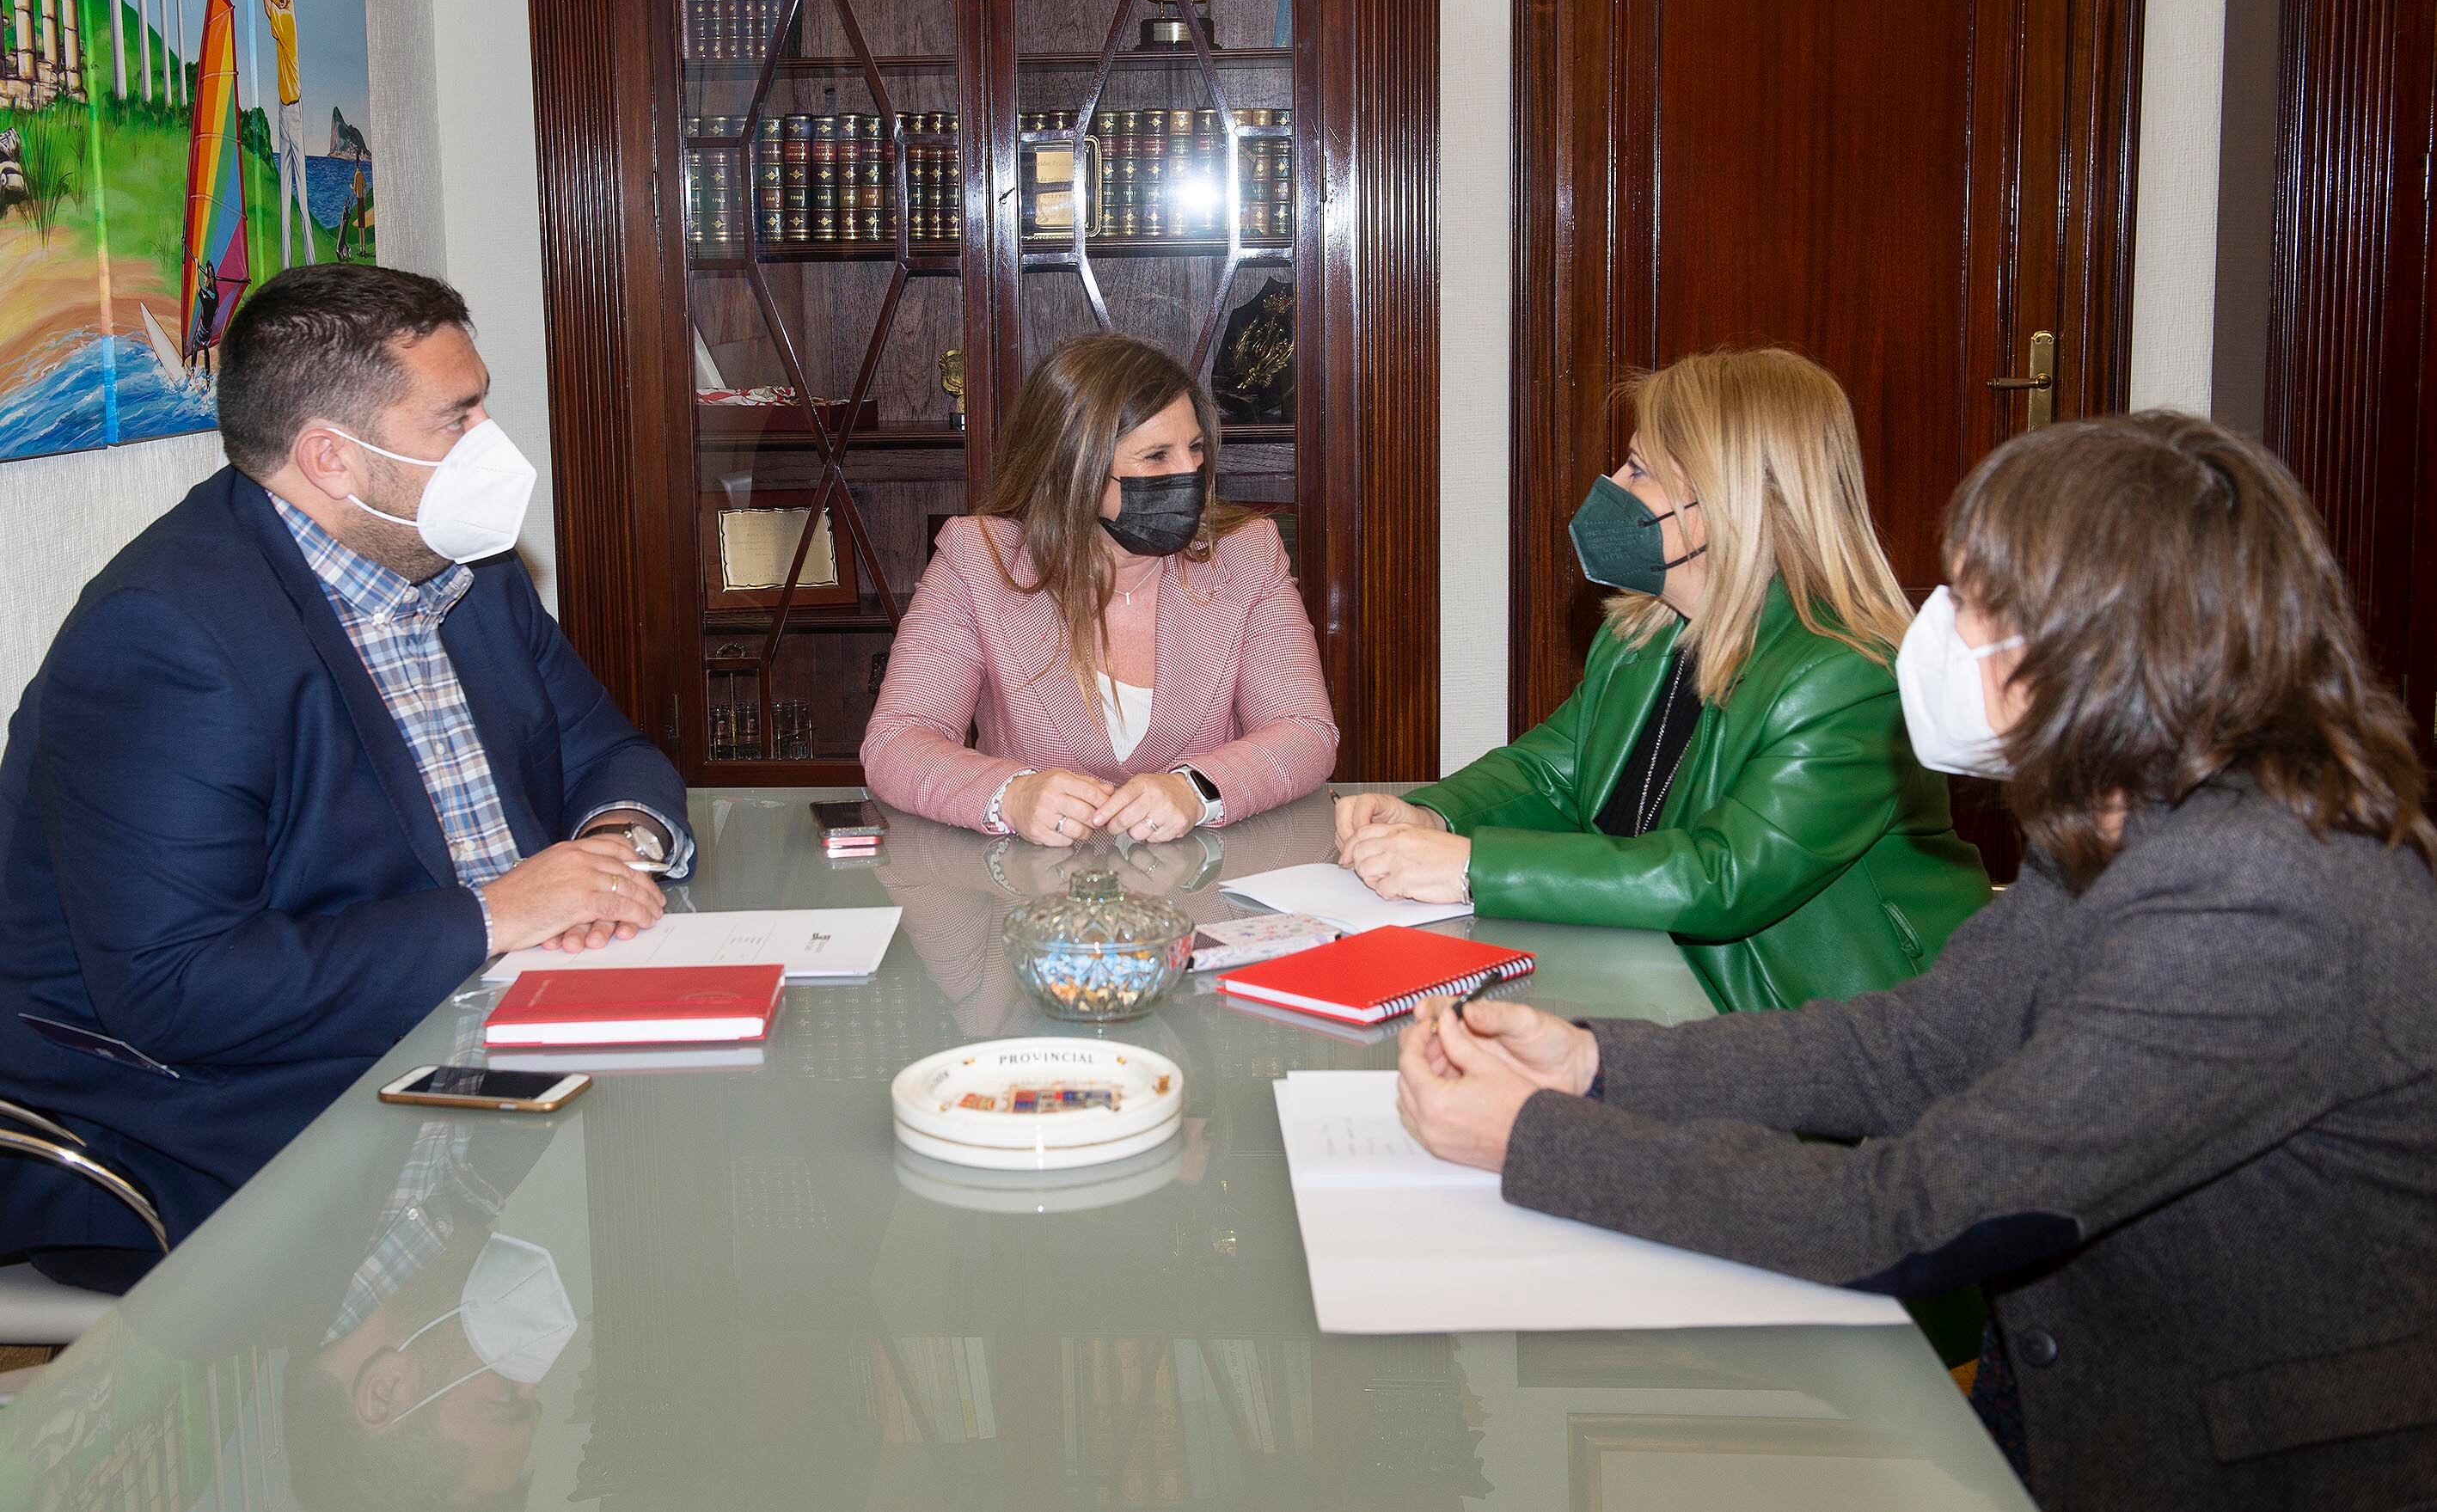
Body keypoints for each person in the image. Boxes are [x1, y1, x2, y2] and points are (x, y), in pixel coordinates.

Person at [1393, 413, 2437, 1511]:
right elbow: (1920, 1041)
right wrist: (1597, 1065)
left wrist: (1538, 1140)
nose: (1937, 628)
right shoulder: (2128, 813)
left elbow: (1910, 1213)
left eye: (1982, 600)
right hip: (2071, 1397)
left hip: (2249, 1464)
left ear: (2111, 646)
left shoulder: (2259, 902)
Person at [0, 265, 691, 1289]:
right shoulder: (167, 639)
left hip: (488, 1022)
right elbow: (176, 990)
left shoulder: (461, 563)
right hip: (232, 1120)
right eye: (456, 420)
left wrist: (609, 848)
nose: (494, 446)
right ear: (331, 457)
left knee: (710, 1142)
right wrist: (496, 916)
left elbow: (609, 751)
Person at [1338, 348, 1987, 1011]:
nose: (1611, 486)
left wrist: (1474, 867)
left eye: (1638, 470)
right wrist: (1431, 814)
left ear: (1723, 500)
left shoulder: (1852, 675)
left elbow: (1723, 877)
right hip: (1651, 973)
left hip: (1829, 1031)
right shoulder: (1641, 633)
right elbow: (1549, 772)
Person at [862, 332, 1336, 843]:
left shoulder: (1244, 553)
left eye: (1195, 449)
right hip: (1035, 901)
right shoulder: (981, 559)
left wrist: (1197, 790)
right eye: (1156, 457)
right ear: (1073, 468)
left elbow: (1306, 732)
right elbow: (895, 740)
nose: (1190, 474)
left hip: (1200, 892)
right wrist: (1009, 794)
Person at [257, 0, 315, 266]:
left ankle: (310, 266)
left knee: (303, 200)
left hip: (294, 111)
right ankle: (286, 269)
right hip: (283, 108)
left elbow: (266, 3)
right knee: (283, 196)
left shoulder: (286, 19)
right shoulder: (288, 1)